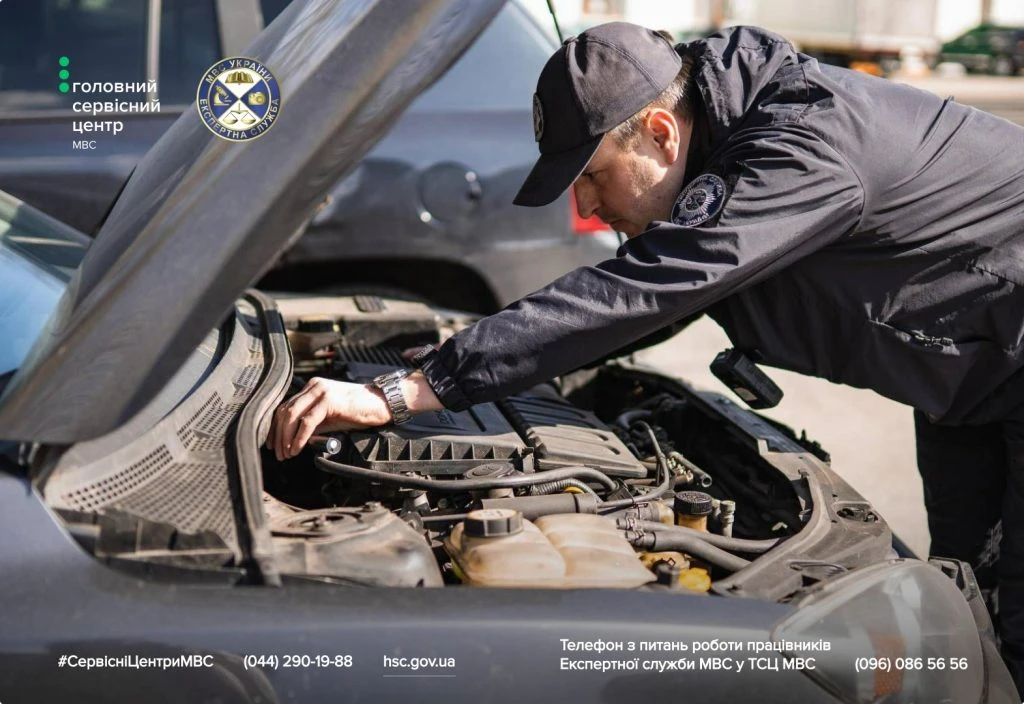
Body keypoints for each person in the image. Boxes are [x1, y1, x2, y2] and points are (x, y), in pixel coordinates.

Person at [268, 22, 1024, 686]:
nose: (586, 207)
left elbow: (648, 289)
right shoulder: (724, 138)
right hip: (967, 381)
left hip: (1008, 358)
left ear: (661, 133)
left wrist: (412, 389)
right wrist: (478, 356)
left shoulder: (804, 146)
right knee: (964, 606)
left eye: (592, 176)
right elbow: (653, 302)